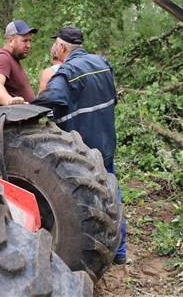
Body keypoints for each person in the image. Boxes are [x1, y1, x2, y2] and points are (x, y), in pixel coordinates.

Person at [33, 26, 128, 265]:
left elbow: (50, 99)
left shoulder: (67, 72)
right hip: (106, 142)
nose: (54, 48)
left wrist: (30, 106)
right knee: (112, 194)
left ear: (62, 47)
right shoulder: (103, 63)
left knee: (85, 203)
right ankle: (120, 252)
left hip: (83, 150)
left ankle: (89, 255)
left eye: (55, 44)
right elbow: (112, 99)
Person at [0, 20, 37, 108]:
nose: (28, 45)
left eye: (30, 41)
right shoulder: (2, 58)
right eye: (24, 41)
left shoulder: (12, 58)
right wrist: (9, 101)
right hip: (10, 120)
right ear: (10, 41)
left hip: (21, 120)